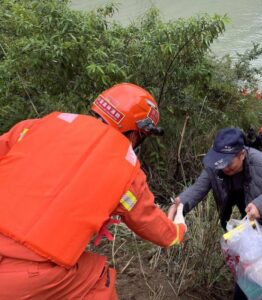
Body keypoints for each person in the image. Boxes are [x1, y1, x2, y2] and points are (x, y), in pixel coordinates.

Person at [0, 83, 187, 299]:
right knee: (99, 280)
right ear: (137, 134)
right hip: (24, 275)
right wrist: (178, 230)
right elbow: (151, 223)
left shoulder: (37, 125)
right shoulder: (127, 171)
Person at [168, 127, 262, 300]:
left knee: (257, 271)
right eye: (220, 162)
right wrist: (179, 204)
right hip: (244, 221)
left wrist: (261, 205)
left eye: (229, 163)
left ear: (242, 154)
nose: (223, 168)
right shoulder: (217, 164)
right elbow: (198, 188)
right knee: (245, 265)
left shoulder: (261, 163)